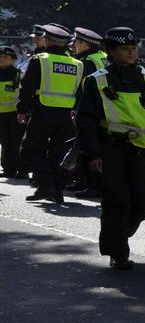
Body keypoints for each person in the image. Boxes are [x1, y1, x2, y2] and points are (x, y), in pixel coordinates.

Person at [76, 27, 145, 270]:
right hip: (109, 149)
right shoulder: (97, 81)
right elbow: (86, 120)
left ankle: (118, 236)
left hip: (139, 150)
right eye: (124, 49)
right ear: (110, 51)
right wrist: (92, 154)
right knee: (118, 202)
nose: (131, 53)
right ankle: (118, 251)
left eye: (133, 48)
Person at [19, 23, 82, 203]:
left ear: (46, 40)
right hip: (67, 115)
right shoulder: (77, 64)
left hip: (43, 111)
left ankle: (46, 185)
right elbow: (79, 91)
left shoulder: (40, 59)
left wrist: (22, 110)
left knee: (29, 150)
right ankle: (55, 190)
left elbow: (26, 88)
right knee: (59, 154)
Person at [65, 27, 108, 199]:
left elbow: (83, 90)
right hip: (106, 110)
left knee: (88, 148)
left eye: (76, 42)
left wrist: (76, 110)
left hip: (91, 111)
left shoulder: (87, 63)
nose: (74, 45)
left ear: (84, 43)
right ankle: (85, 182)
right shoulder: (103, 58)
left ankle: (93, 185)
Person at [0, 45, 23, 179]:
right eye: (0, 56)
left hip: (15, 113)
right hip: (1, 114)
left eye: (5, 57)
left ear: (13, 59)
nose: (1, 59)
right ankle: (8, 169)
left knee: (17, 142)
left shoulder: (18, 74)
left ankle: (22, 169)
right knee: (4, 142)